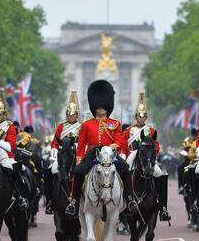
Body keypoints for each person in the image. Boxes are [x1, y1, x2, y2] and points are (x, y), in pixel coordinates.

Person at [65, 80, 138, 216]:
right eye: (98, 106)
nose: (100, 108)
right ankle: (73, 202)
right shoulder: (87, 125)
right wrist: (80, 159)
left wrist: (109, 149)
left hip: (110, 154)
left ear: (107, 106)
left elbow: (119, 141)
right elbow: (81, 144)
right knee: (78, 172)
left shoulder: (115, 124)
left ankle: (130, 200)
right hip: (92, 153)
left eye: (103, 106)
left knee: (126, 172)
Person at [123, 92, 170, 221]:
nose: (141, 118)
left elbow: (156, 146)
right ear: (136, 116)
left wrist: (152, 154)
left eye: (143, 116)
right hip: (133, 153)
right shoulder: (129, 130)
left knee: (160, 174)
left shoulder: (151, 130)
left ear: (146, 117)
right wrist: (123, 155)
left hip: (147, 157)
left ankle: (163, 208)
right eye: (139, 115)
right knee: (124, 172)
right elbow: (123, 145)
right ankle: (122, 204)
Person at [0, 89, 29, 211]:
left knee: (11, 170)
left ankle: (21, 197)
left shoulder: (9, 127)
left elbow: (11, 146)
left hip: (5, 154)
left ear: (4, 114)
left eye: (0, 113)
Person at [48, 91, 82, 214]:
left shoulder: (81, 127)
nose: (70, 116)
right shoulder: (61, 127)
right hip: (62, 157)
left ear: (77, 115)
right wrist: (53, 156)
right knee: (49, 170)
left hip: (76, 157)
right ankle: (50, 201)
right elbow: (54, 143)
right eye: (68, 113)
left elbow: (85, 144)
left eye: (72, 114)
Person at [178, 128, 198, 193]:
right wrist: (186, 151)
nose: (194, 137)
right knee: (180, 168)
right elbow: (181, 149)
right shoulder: (187, 141)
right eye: (193, 136)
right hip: (188, 160)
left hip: (197, 160)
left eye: (195, 136)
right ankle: (181, 186)